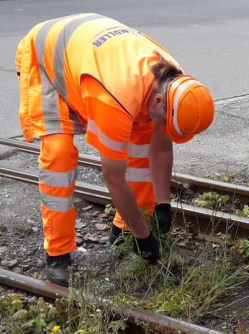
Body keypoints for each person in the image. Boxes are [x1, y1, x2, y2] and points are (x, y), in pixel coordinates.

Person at [15, 13, 214, 287]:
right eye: (165, 121)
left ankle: (123, 230)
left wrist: (162, 205)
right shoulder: (115, 99)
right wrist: (145, 236)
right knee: (58, 155)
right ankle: (57, 252)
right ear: (158, 100)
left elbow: (161, 148)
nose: (164, 127)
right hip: (46, 58)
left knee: (142, 144)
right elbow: (114, 178)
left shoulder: (174, 81)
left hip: (90, 56)